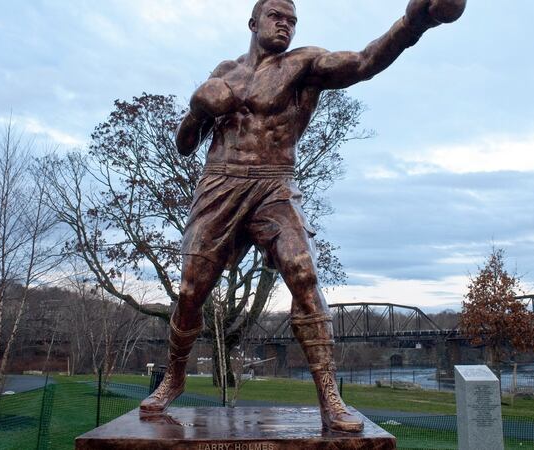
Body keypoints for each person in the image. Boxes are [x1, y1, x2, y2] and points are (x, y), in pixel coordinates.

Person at [140, 0, 465, 433]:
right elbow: (184, 145)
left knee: (302, 270)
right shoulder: (225, 71)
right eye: (277, 16)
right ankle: (174, 378)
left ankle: (329, 394)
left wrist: (413, 23)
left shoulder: (303, 65)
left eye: (292, 20)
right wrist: (199, 110)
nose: (286, 25)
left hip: (275, 183)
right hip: (219, 182)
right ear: (253, 22)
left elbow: (365, 62)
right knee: (190, 289)